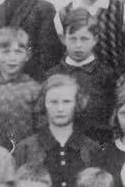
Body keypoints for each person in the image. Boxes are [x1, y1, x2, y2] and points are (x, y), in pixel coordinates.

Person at [13, 73, 97, 187]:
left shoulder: (90, 148)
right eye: (53, 102)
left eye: (66, 102)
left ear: (76, 104)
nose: (60, 108)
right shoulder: (26, 148)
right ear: (43, 104)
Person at [47, 8, 118, 145]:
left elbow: (112, 116)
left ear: (95, 40)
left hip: (97, 144)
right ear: (63, 39)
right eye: (73, 39)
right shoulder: (52, 75)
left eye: (84, 39)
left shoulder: (107, 76)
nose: (78, 45)